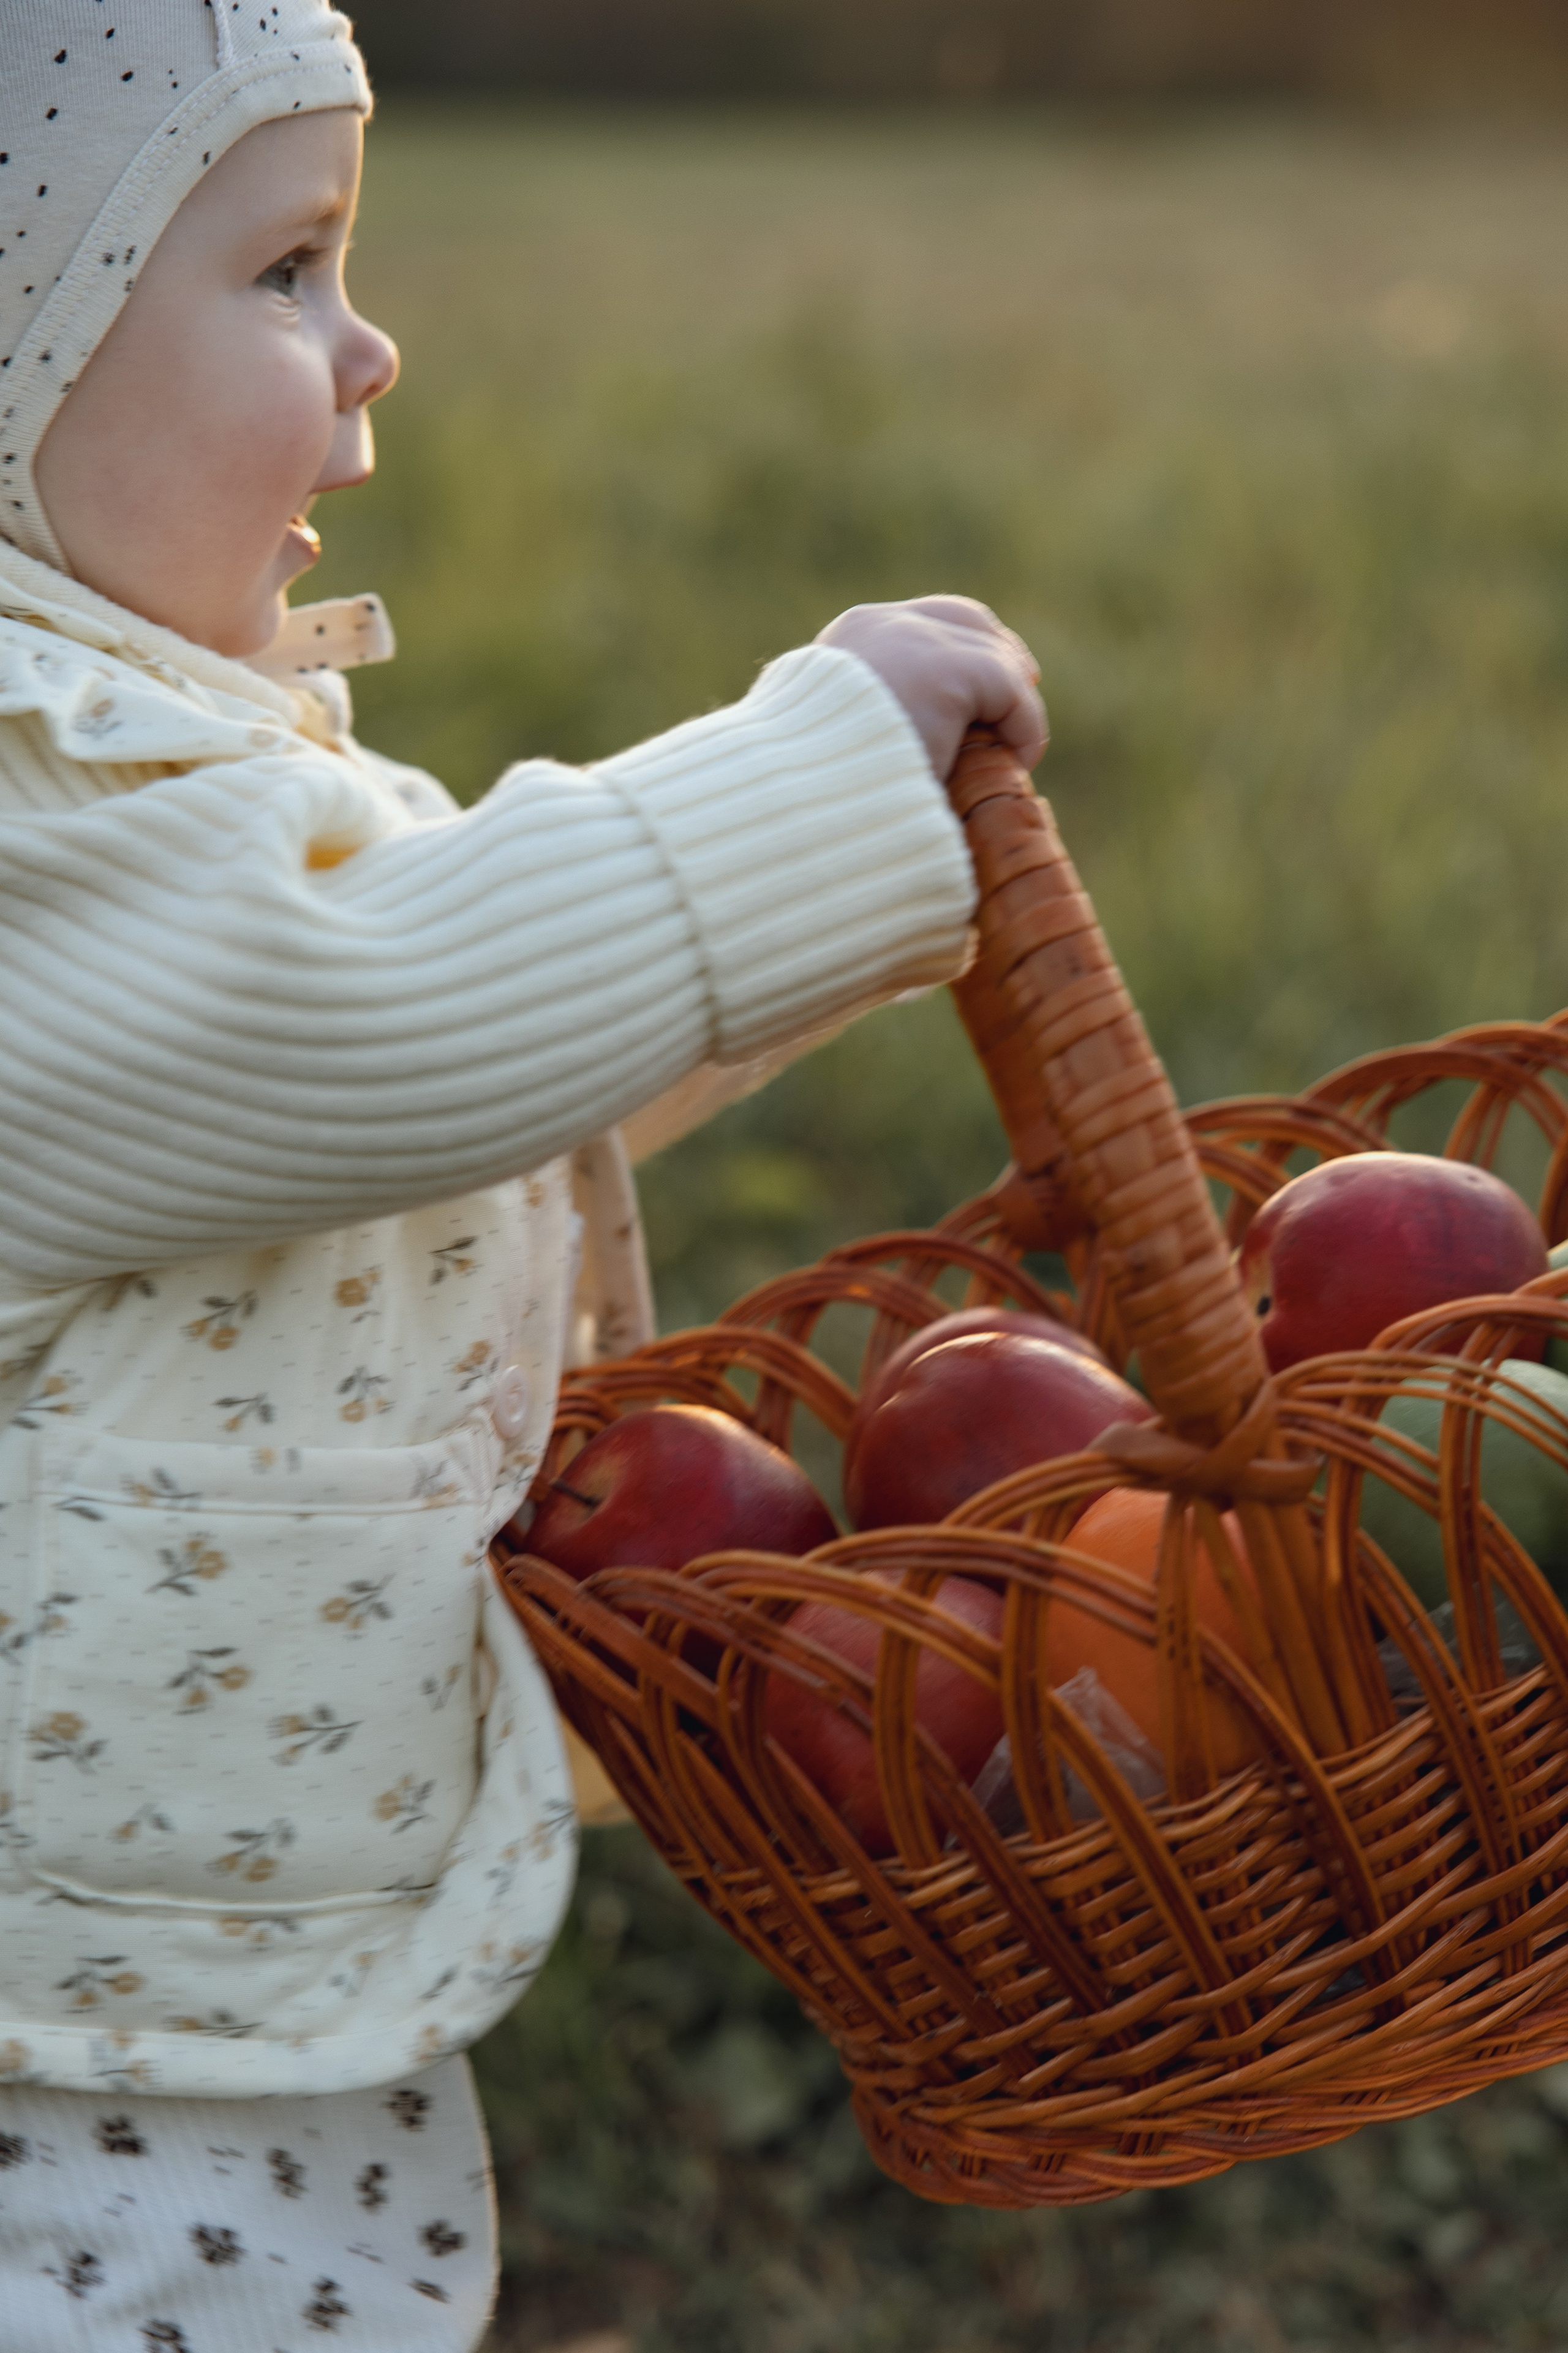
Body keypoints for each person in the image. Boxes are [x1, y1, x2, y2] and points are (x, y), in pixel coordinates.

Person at [0, 4, 1046, 2345]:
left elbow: (411, 1101)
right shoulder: (22, 841)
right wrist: (820, 775)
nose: (366, 346)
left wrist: (826, 907)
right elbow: (376, 1009)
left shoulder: (119, 774)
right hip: (68, 2038)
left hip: (180, 1937)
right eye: (284, 271)